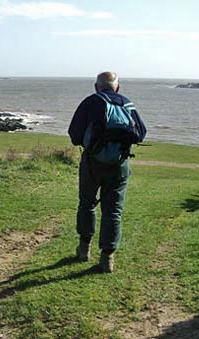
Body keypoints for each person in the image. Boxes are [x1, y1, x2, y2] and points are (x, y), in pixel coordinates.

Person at [68, 71, 146, 273]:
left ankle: (84, 248)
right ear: (118, 87)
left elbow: (74, 135)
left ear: (96, 87)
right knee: (113, 211)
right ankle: (107, 258)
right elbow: (141, 133)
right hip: (120, 165)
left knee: (87, 203)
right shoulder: (127, 104)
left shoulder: (90, 102)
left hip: (92, 162)